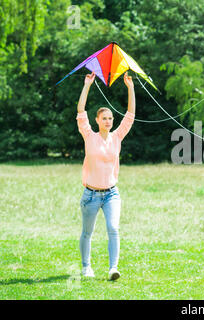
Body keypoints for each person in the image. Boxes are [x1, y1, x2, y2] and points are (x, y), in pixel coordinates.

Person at [76, 71, 135, 280]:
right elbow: (80, 110)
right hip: (90, 194)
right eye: (105, 118)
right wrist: (87, 85)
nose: (109, 121)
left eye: (110, 118)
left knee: (113, 228)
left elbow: (130, 115)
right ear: (97, 120)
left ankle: (113, 268)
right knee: (87, 232)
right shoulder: (89, 135)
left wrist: (130, 87)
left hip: (111, 193)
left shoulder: (117, 137)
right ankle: (86, 267)